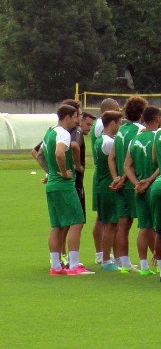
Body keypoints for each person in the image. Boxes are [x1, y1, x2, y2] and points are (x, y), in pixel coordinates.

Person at [43, 105, 93, 276]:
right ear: (67, 117)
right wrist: (64, 172)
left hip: (51, 184)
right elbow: (59, 153)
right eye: (75, 117)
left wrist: (50, 172)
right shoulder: (63, 133)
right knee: (76, 222)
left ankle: (56, 266)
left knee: (56, 225)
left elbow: (42, 154)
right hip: (63, 185)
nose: (77, 120)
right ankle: (73, 265)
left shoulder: (49, 132)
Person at [108, 95, 147, 274]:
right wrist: (124, 178)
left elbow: (113, 156)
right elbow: (133, 160)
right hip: (135, 182)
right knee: (147, 225)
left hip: (121, 184)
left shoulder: (121, 130)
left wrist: (116, 177)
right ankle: (151, 263)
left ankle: (124, 264)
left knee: (123, 224)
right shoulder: (141, 130)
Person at [124, 106, 161, 275]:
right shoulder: (158, 137)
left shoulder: (135, 140)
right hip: (155, 187)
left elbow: (127, 166)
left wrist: (137, 183)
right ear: (158, 119)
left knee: (144, 227)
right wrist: (148, 182)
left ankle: (144, 266)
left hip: (139, 189)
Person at [91, 98, 120, 265]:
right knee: (110, 223)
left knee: (103, 219)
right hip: (108, 183)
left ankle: (108, 257)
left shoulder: (101, 138)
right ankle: (106, 259)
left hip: (101, 181)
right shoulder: (109, 141)